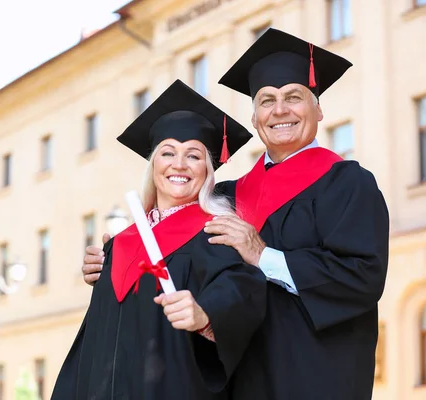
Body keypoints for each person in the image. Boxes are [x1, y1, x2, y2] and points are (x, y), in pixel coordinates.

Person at [82, 29, 389, 400]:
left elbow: (363, 278)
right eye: (266, 100)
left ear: (318, 109)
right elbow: (173, 257)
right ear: (256, 116)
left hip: (314, 374)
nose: (280, 110)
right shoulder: (225, 196)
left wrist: (263, 256)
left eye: (294, 97)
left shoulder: (348, 183)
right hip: (234, 379)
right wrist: (118, 257)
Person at [51, 79, 267, 400]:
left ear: (207, 170)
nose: (179, 164)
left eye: (193, 156)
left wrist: (205, 314)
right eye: (168, 153)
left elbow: (240, 289)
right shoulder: (119, 244)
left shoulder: (215, 233)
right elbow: (95, 340)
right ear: (154, 166)